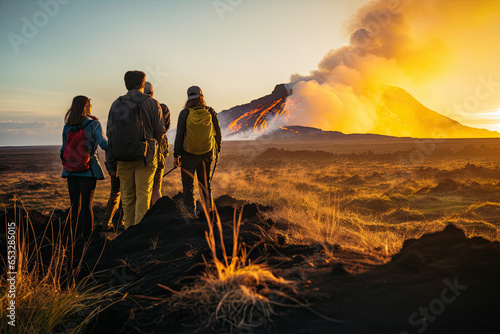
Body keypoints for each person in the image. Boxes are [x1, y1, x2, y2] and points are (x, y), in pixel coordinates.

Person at [106, 71, 166, 229]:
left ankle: (128, 233)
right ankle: (138, 236)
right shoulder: (152, 103)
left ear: (126, 84)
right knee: (143, 195)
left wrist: (111, 164)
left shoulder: (116, 104)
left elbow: (110, 135)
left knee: (127, 197)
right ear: (142, 83)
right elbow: (160, 132)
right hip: (145, 158)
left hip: (122, 157)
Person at [61, 95, 108, 238]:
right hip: (88, 168)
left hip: (70, 169)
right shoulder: (94, 124)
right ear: (86, 106)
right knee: (87, 205)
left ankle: (73, 237)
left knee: (75, 205)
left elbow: (63, 149)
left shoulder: (67, 126)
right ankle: (87, 239)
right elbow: (103, 144)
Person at [173, 86, 221, 216]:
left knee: (188, 187)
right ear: (202, 96)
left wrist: (176, 155)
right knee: (205, 185)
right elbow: (218, 134)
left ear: (188, 98)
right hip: (207, 154)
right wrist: (217, 151)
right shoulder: (210, 112)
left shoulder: (185, 113)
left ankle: (190, 213)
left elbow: (179, 135)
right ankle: (208, 213)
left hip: (188, 155)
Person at [143, 82, 171, 206]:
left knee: (142, 188)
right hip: (158, 151)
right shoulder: (162, 108)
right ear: (152, 93)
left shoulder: (134, 108)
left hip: (140, 152)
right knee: (156, 188)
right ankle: (155, 217)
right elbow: (164, 129)